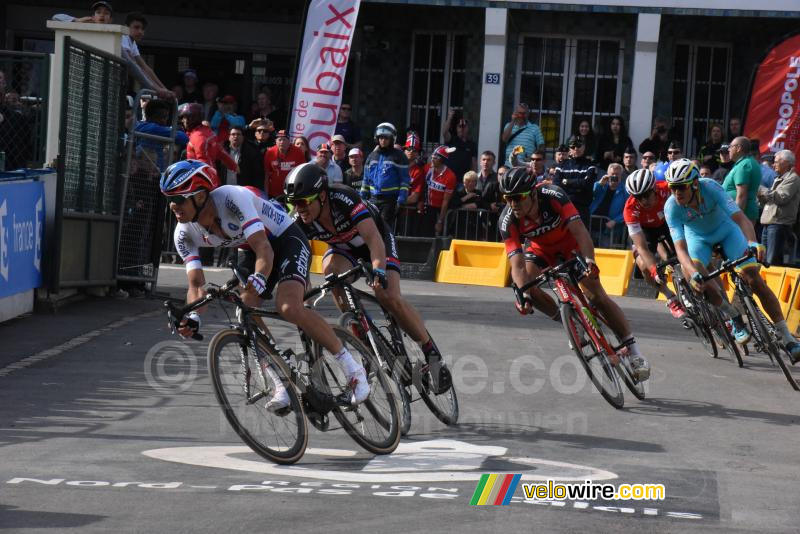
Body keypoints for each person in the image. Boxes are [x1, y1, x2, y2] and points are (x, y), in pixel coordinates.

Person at [161, 160, 371, 407]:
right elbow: (196, 285)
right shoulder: (183, 234)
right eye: (169, 199)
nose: (173, 206)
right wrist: (193, 317)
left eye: (179, 199)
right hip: (251, 249)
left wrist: (260, 280)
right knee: (245, 310)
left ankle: (353, 370)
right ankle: (281, 382)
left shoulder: (231, 198)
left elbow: (265, 249)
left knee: (288, 307)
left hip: (284, 239)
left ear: (200, 195)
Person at [284, 163, 451, 392]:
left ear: (322, 195)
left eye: (303, 201)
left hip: (376, 241)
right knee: (331, 274)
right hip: (344, 249)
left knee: (388, 295)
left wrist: (379, 271)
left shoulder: (343, 199)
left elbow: (373, 238)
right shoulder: (301, 221)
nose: (299, 208)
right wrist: (304, 296)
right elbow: (299, 261)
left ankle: (431, 352)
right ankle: (361, 336)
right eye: (295, 203)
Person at [498, 166, 650, 380]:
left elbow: (580, 231)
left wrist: (590, 261)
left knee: (596, 296)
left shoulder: (553, 194)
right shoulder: (508, 219)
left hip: (572, 245)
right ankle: (571, 323)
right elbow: (517, 265)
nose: (513, 203)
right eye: (508, 198)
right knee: (527, 288)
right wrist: (522, 293)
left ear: (532, 193)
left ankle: (634, 351)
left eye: (518, 197)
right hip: (539, 251)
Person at [663, 158, 800, 361]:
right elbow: (680, 248)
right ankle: (732, 316)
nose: (677, 193)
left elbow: (740, 219)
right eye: (673, 188)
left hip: (727, 230)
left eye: (681, 187)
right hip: (698, 239)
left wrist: (753, 243)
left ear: (694, 183)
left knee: (754, 279)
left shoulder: (710, 187)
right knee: (696, 274)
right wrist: (692, 274)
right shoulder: (672, 207)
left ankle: (788, 339)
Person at [623, 168, 685, 318]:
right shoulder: (630, 208)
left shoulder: (667, 189)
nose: (643, 201)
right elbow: (642, 247)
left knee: (685, 251)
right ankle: (670, 297)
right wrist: (653, 270)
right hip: (646, 231)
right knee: (643, 264)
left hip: (668, 223)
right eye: (638, 197)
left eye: (646, 195)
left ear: (654, 189)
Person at [362, 122, 410, 229]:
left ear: (392, 139)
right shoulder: (371, 156)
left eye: (386, 138)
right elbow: (366, 179)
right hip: (373, 199)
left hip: (390, 200)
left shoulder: (399, 156)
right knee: (371, 228)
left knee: (384, 228)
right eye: (381, 138)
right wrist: (362, 197)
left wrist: (401, 199)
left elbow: (405, 180)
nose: (383, 140)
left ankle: (386, 246)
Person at [758, 150, 800, 266]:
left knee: (772, 262)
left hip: (778, 224)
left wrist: (761, 189)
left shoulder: (793, 178)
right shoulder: (778, 178)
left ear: (786, 162)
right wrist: (761, 196)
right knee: (764, 261)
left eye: (776, 162)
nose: (773, 164)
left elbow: (781, 198)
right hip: (769, 223)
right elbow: (770, 199)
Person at [178, 102, 237, 185]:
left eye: (184, 117)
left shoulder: (198, 136)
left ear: (191, 118)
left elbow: (203, 161)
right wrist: (234, 166)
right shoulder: (208, 133)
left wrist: (205, 184)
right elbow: (221, 152)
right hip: (208, 180)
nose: (182, 121)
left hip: (201, 183)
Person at [119, 12, 173, 99]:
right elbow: (134, 65)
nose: (140, 31)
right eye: (136, 27)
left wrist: (165, 89)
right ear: (126, 27)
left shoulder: (132, 43)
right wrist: (157, 89)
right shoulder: (124, 37)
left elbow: (145, 68)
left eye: (143, 29)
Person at [553, 135, 598, 228]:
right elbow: (557, 185)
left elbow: (587, 184)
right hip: (564, 207)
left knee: (580, 240)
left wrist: (567, 181)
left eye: (578, 146)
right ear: (569, 148)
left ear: (584, 147)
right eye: (573, 146)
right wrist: (578, 185)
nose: (576, 149)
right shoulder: (561, 166)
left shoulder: (590, 165)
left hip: (582, 209)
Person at [723, 137, 761, 224]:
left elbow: (741, 195)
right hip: (743, 215)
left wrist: (735, 219)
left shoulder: (744, 165)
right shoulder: (745, 163)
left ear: (738, 148)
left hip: (741, 216)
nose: (728, 149)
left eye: (730, 146)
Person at [589, 163, 628, 247]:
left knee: (605, 252)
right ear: (607, 174)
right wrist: (600, 184)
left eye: (617, 174)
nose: (614, 176)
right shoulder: (601, 185)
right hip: (591, 225)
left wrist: (615, 221)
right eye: (612, 174)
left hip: (609, 230)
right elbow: (592, 194)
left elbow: (628, 210)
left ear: (621, 176)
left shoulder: (625, 190)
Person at [263, 129, 306, 199]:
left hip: (291, 191)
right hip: (274, 192)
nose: (282, 142)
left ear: (289, 141)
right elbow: (266, 175)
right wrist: (266, 195)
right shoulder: (270, 152)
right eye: (279, 140)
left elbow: (302, 172)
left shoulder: (297, 152)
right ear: (276, 142)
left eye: (284, 139)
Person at [444, 115, 477, 183]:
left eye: (464, 126)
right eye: (459, 126)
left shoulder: (471, 144)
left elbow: (473, 163)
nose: (462, 128)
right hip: (449, 178)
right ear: (456, 128)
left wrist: (473, 178)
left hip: (463, 180)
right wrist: (450, 117)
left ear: (468, 128)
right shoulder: (451, 140)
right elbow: (444, 132)